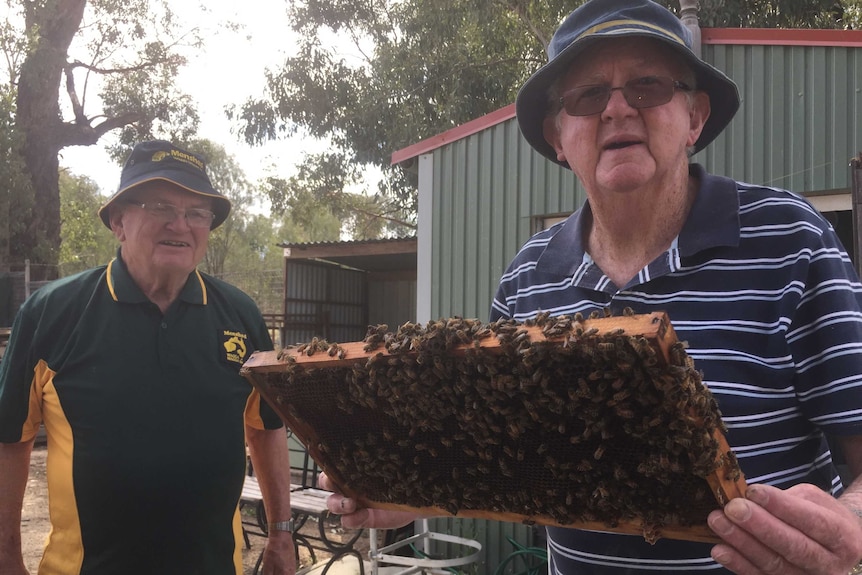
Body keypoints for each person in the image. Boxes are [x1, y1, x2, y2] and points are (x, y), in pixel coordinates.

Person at [321, 1, 862, 574]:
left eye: (647, 86)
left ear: (695, 117)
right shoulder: (526, 276)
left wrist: (849, 522)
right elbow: (511, 459)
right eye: (587, 96)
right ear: (559, 136)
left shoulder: (790, 237)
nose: (617, 109)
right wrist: (408, 486)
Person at [0, 140, 296, 575]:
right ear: (118, 221)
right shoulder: (52, 313)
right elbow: (10, 437)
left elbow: (268, 429)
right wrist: (6, 556)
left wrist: (281, 533)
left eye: (197, 212)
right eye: (161, 206)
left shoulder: (240, 315)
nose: (181, 223)